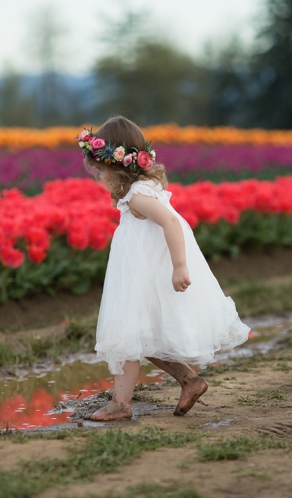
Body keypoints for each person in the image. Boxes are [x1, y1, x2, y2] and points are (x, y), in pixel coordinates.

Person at [77, 116, 251, 421]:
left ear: (117, 166)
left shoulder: (138, 197)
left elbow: (171, 222)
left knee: (128, 335)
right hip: (143, 273)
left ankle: (120, 405)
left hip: (146, 276)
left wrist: (179, 267)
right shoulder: (143, 190)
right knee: (142, 336)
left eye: (100, 170)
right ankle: (189, 380)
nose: (98, 177)